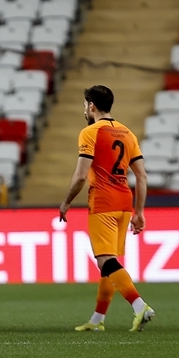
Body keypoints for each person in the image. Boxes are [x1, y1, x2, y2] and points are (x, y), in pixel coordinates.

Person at [60, 85, 155, 333]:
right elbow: (142, 177)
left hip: (102, 201)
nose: (84, 109)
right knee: (109, 264)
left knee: (106, 260)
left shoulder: (90, 133)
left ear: (91, 105)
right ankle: (97, 320)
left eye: (84, 105)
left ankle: (139, 306)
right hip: (124, 202)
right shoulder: (128, 133)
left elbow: (81, 175)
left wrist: (67, 201)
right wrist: (140, 212)